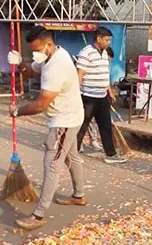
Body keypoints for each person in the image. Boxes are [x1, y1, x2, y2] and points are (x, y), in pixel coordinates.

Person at [7, 25, 85, 230]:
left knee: (52, 164)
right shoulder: (51, 55)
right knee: (71, 156)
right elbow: (32, 71)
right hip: (71, 115)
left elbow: (41, 105)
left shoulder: (57, 67)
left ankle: (38, 215)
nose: (35, 54)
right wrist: (19, 63)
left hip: (64, 121)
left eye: (36, 50)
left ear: (48, 45)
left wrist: (17, 111)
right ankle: (79, 196)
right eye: (32, 51)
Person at [75, 27, 127, 164]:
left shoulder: (104, 54)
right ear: (99, 39)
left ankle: (111, 154)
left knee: (105, 126)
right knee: (82, 126)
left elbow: (104, 75)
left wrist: (109, 91)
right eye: (107, 40)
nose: (108, 42)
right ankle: (73, 154)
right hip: (88, 96)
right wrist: (76, 94)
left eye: (109, 40)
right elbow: (80, 74)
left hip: (102, 96)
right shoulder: (86, 52)